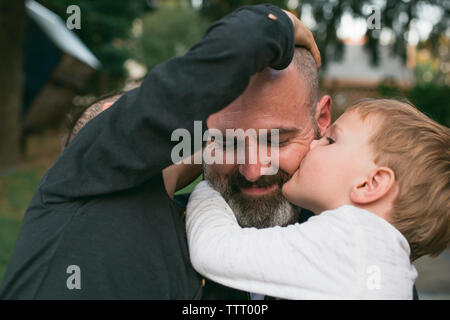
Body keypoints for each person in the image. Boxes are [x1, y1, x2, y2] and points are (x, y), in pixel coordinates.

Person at [0, 4, 321, 299]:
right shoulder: (78, 182)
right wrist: (276, 22)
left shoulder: (185, 236)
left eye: (277, 140)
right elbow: (214, 69)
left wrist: (219, 141)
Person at [186, 99, 450, 299]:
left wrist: (207, 185)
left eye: (330, 140)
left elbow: (213, 249)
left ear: (370, 184)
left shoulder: (349, 240)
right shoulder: (390, 265)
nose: (313, 144)